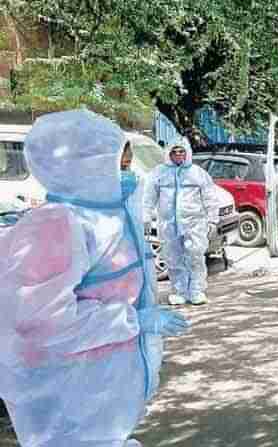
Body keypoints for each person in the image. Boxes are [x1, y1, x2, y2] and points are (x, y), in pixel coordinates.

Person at [0, 109, 190, 446]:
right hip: (68, 399)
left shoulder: (105, 217)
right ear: (84, 167)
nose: (129, 176)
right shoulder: (58, 226)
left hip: (97, 399)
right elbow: (43, 324)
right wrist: (134, 320)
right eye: (122, 166)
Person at [144, 141, 219, 306]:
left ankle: (196, 290)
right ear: (169, 154)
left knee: (195, 256)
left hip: (194, 223)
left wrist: (213, 219)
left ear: (187, 153)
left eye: (181, 151)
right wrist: (146, 217)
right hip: (168, 225)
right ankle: (179, 291)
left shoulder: (198, 173)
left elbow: (210, 198)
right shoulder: (159, 173)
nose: (178, 155)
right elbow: (148, 197)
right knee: (173, 258)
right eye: (175, 152)